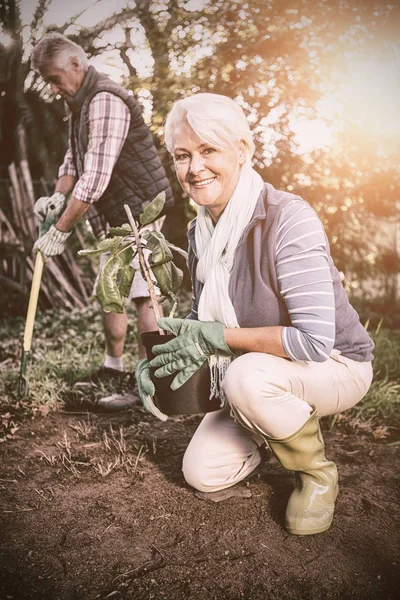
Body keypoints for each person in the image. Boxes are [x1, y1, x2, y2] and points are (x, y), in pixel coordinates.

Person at [136, 93, 374, 536]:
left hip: (334, 366)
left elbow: (314, 343)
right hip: (259, 371)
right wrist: (162, 359)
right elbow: (199, 321)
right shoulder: (198, 231)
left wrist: (212, 337)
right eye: (183, 156)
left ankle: (316, 474)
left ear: (242, 151)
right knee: (202, 473)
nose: (194, 168)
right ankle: (268, 424)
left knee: (244, 379)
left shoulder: (288, 217)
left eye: (209, 150)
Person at [30, 32, 174, 410]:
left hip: (138, 212)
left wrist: (61, 230)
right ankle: (114, 368)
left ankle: (152, 384)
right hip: (116, 216)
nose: (52, 87)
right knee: (110, 293)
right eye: (47, 80)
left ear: (76, 65)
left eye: (55, 78)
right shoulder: (79, 103)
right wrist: (57, 196)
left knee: (144, 297)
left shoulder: (105, 99)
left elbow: (95, 175)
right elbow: (73, 161)